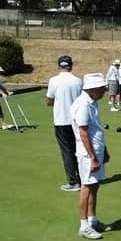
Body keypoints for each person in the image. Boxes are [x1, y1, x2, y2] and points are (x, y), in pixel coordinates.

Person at [71, 73, 111, 239]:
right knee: (86, 187)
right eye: (102, 88)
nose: (104, 91)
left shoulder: (92, 102)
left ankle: (92, 220)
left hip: (96, 151)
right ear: (93, 89)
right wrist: (93, 157)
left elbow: (96, 129)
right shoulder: (83, 104)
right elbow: (83, 132)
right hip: (88, 154)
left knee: (95, 186)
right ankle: (83, 226)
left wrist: (104, 150)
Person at [46, 55, 83, 192]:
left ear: (59, 66)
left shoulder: (53, 81)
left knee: (67, 151)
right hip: (77, 120)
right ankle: (82, 178)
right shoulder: (78, 81)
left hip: (61, 121)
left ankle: (73, 182)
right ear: (71, 66)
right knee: (78, 149)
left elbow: (48, 101)